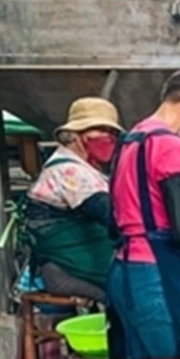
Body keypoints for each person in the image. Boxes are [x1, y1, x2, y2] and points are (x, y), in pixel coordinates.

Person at [106, 69, 180, 359]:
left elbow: (114, 219)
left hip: (123, 270)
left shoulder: (130, 141)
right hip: (156, 277)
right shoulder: (170, 147)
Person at [23, 97, 122, 303]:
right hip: (69, 269)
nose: (108, 137)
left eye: (112, 132)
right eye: (100, 130)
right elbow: (109, 213)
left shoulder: (85, 167)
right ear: (76, 135)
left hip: (74, 264)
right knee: (131, 294)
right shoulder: (70, 171)